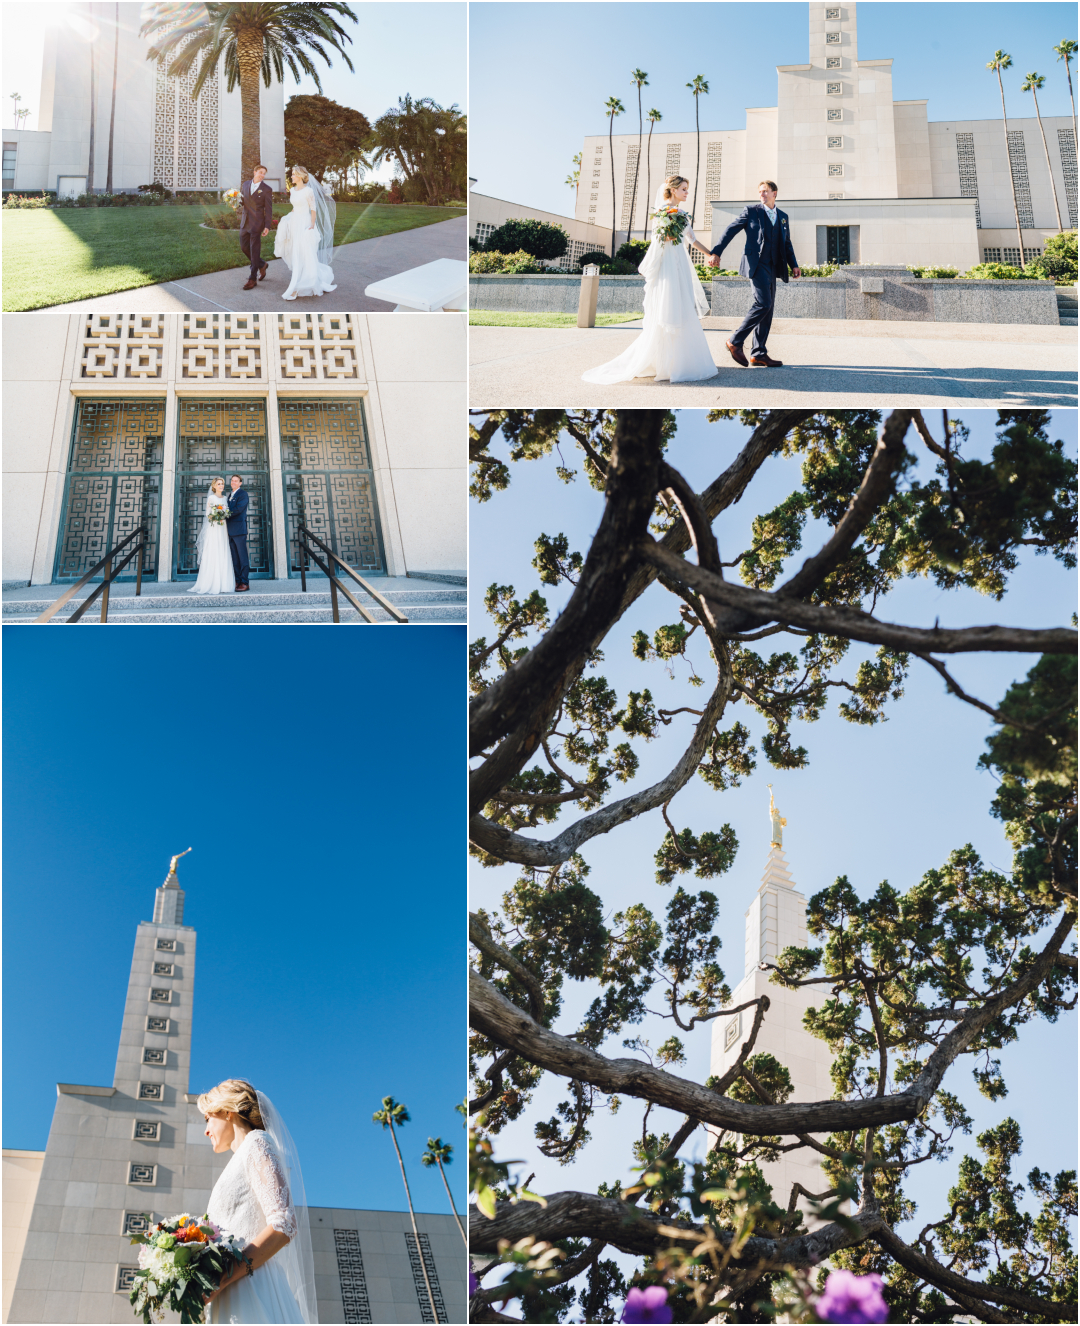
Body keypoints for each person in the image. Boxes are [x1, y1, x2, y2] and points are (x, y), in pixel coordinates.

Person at [199, 1079, 317, 1324]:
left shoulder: (257, 1143)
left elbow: (283, 1223)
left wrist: (219, 1280)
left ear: (227, 1112)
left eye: (207, 1118)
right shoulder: (237, 1161)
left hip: (252, 1289)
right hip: (228, 1295)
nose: (206, 1130)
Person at [581, 175, 717, 385]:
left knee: (682, 305)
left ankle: (683, 362)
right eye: (683, 189)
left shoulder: (682, 214)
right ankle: (663, 363)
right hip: (667, 265)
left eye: (687, 189)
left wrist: (709, 254)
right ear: (672, 190)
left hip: (680, 263)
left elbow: (692, 239)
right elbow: (657, 238)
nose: (686, 192)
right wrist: (666, 237)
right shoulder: (661, 212)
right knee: (668, 306)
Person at [708, 179, 801, 368]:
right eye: (760, 192)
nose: (762, 195)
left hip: (774, 266)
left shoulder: (783, 216)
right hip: (756, 264)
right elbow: (730, 230)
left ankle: (759, 353)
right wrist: (717, 251)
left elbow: (786, 243)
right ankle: (735, 340)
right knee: (763, 303)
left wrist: (794, 264)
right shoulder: (751, 211)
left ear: (775, 193)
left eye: (766, 191)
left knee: (768, 309)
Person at [273, 166, 337, 300]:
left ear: (301, 176)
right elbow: (295, 207)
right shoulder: (292, 190)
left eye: (294, 175)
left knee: (305, 252)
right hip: (295, 222)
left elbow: (313, 210)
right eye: (292, 175)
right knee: (296, 252)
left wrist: (312, 226)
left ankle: (300, 285)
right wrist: (287, 217)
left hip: (305, 224)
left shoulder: (308, 191)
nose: (292, 177)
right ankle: (300, 279)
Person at [186, 478, 236, 596]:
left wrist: (224, 514)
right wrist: (216, 515)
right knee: (213, 552)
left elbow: (227, 511)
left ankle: (224, 583)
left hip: (223, 528)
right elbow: (208, 514)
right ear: (214, 486)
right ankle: (210, 583)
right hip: (214, 528)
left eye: (222, 484)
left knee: (223, 552)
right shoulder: (211, 498)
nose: (221, 486)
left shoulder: (225, 498)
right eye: (219, 484)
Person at [239, 165, 275, 292]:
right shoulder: (245, 184)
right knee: (244, 247)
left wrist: (267, 226)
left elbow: (268, 209)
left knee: (254, 251)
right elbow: (242, 200)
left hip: (257, 224)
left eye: (264, 173)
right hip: (245, 222)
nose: (262, 175)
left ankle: (252, 278)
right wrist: (234, 201)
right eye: (260, 172)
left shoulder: (266, 189)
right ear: (254, 172)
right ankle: (261, 264)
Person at [226, 474, 250, 592]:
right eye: (232, 480)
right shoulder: (230, 495)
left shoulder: (243, 494)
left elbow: (239, 509)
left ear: (240, 483)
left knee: (242, 557)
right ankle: (237, 580)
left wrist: (224, 514)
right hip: (230, 531)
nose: (233, 482)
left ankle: (245, 582)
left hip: (239, 530)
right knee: (234, 558)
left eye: (236, 481)